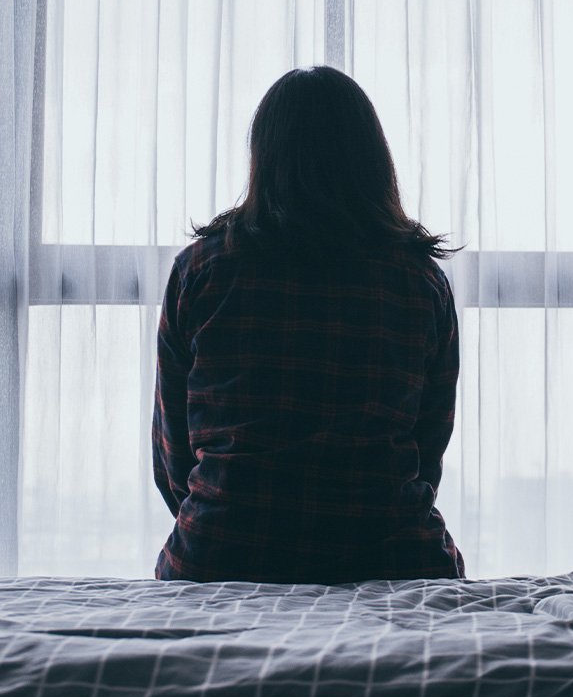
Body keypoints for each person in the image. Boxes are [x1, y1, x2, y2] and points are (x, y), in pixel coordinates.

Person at [152, 66, 465, 584]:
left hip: (219, 554)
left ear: (263, 156)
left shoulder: (200, 271)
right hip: (396, 558)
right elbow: (428, 445)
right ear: (372, 159)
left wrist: (232, 514)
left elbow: (174, 455)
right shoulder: (419, 280)